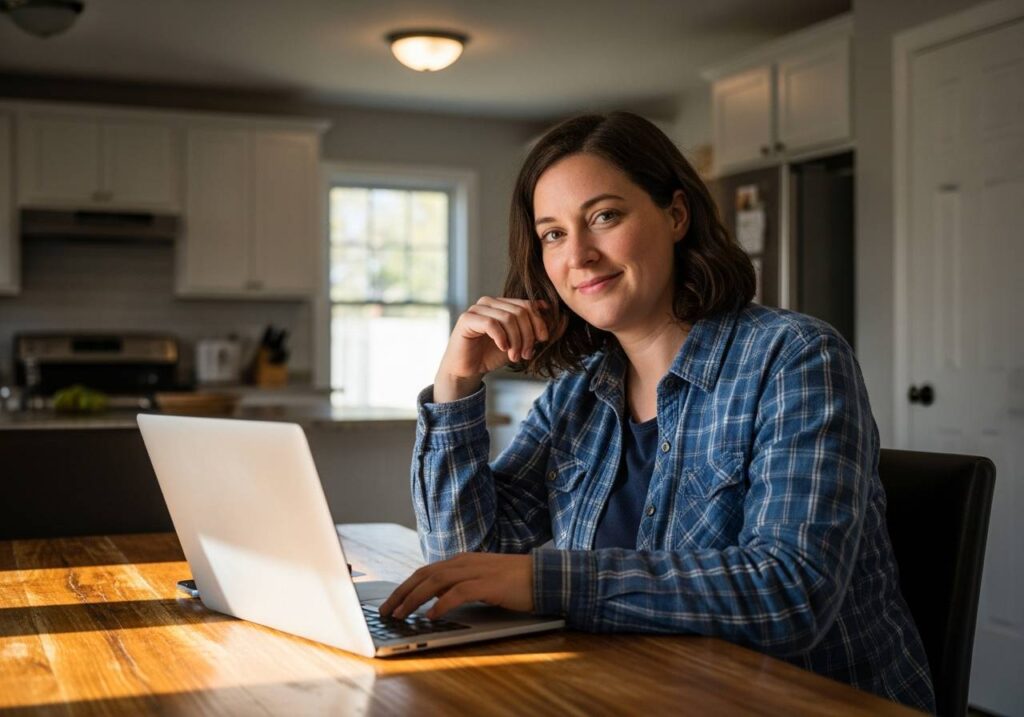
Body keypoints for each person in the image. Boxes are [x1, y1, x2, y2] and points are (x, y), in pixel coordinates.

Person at [379, 112, 935, 711]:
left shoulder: (794, 358)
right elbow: (461, 561)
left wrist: (545, 581)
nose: (580, 255)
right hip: (649, 693)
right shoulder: (578, 396)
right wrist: (455, 383)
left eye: (604, 217)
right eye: (554, 234)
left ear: (675, 215)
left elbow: (791, 593)